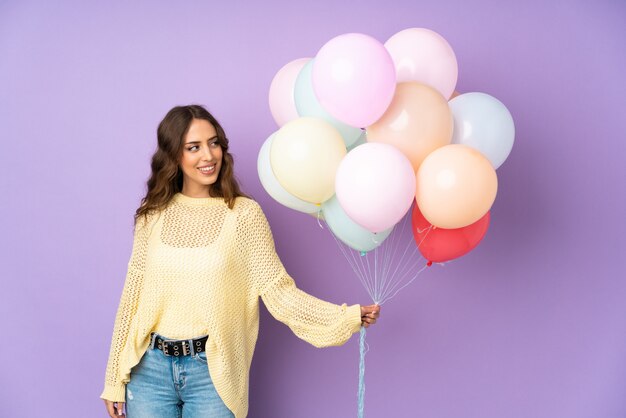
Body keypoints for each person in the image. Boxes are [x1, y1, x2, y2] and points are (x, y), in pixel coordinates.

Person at [100, 104, 381, 418]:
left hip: (212, 373)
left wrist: (343, 318)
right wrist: (113, 378)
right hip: (148, 370)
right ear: (174, 156)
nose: (208, 156)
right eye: (194, 147)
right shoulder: (152, 217)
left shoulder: (244, 216)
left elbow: (279, 293)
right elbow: (132, 298)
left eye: (214, 143)